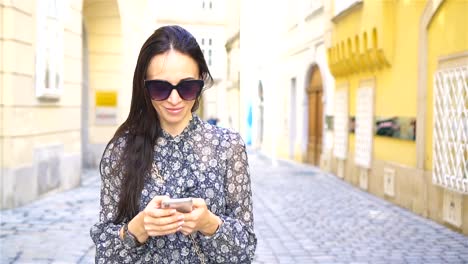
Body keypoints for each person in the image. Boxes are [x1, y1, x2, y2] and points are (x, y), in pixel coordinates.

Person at [90, 25, 257, 263]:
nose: (174, 99)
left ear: (201, 82)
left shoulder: (228, 147)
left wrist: (209, 223)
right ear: (144, 87)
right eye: (160, 88)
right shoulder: (121, 151)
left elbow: (245, 250)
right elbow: (105, 255)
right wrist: (138, 228)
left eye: (187, 87)